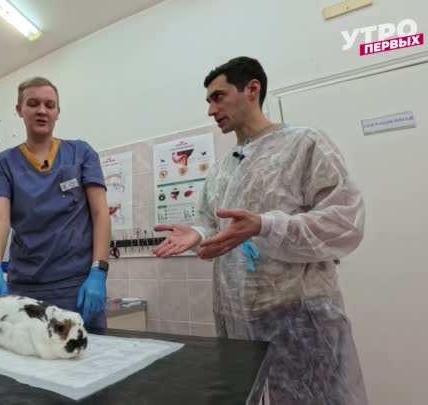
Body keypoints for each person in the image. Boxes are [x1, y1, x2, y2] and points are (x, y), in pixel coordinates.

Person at [152, 57, 368, 404]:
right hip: (237, 321)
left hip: (300, 319)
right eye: (208, 101)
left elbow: (344, 223)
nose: (211, 110)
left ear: (252, 89)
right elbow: (212, 225)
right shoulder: (221, 170)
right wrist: (197, 234)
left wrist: (266, 225)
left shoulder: (304, 144)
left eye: (218, 97)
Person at [0, 77, 111, 334]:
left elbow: (100, 213)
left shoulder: (81, 153)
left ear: (58, 111)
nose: (42, 110)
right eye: (33, 104)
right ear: (19, 110)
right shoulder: (3, 162)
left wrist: (99, 271)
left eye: (49, 105)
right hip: (25, 289)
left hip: (77, 287)